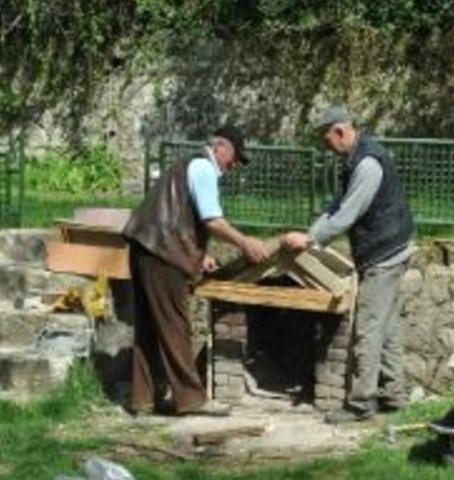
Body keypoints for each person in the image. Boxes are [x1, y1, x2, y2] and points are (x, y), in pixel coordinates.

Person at [122, 125, 269, 416]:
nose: (235, 165)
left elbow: (178, 216)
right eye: (235, 157)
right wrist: (244, 242)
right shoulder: (203, 168)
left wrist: (199, 256)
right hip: (161, 252)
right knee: (176, 325)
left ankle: (142, 400)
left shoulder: (188, 166)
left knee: (149, 327)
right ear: (221, 148)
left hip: (145, 246)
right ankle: (191, 400)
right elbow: (212, 219)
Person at [281, 106, 415, 424]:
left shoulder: (367, 164)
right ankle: (394, 393)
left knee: (367, 329)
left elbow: (347, 214)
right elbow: (338, 205)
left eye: (326, 139)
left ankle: (361, 404)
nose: (325, 146)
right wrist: (311, 231)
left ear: (340, 131)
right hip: (392, 247)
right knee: (387, 325)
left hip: (384, 253)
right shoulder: (355, 159)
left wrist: (309, 240)